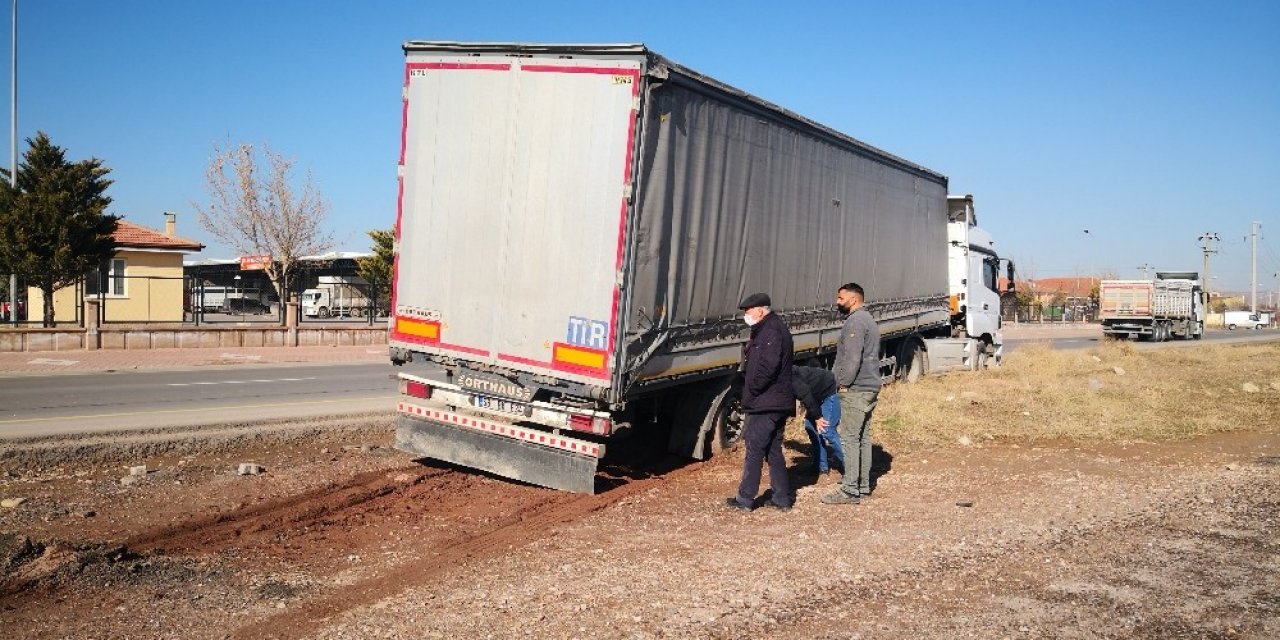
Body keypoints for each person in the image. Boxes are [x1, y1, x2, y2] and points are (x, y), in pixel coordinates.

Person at [725, 292, 795, 513]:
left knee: (754, 449)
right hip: (775, 400)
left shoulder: (771, 331)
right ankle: (781, 498)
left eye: (748, 311)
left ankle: (745, 499)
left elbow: (768, 366)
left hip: (767, 402)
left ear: (760, 310)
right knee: (773, 450)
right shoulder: (769, 328)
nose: (746, 315)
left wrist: (753, 389)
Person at [821, 282, 881, 505]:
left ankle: (849, 490)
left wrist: (842, 383)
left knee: (850, 438)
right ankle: (862, 485)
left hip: (857, 388)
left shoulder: (855, 322)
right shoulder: (869, 319)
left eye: (840, 298)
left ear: (853, 299)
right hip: (869, 386)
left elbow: (852, 358)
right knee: (863, 438)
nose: (837, 302)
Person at [792, 364, 845, 476]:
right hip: (815, 397)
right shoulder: (781, 378)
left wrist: (818, 417)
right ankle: (821, 467)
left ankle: (850, 469)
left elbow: (804, 393)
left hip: (827, 392)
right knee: (810, 426)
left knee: (827, 430)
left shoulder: (790, 378)